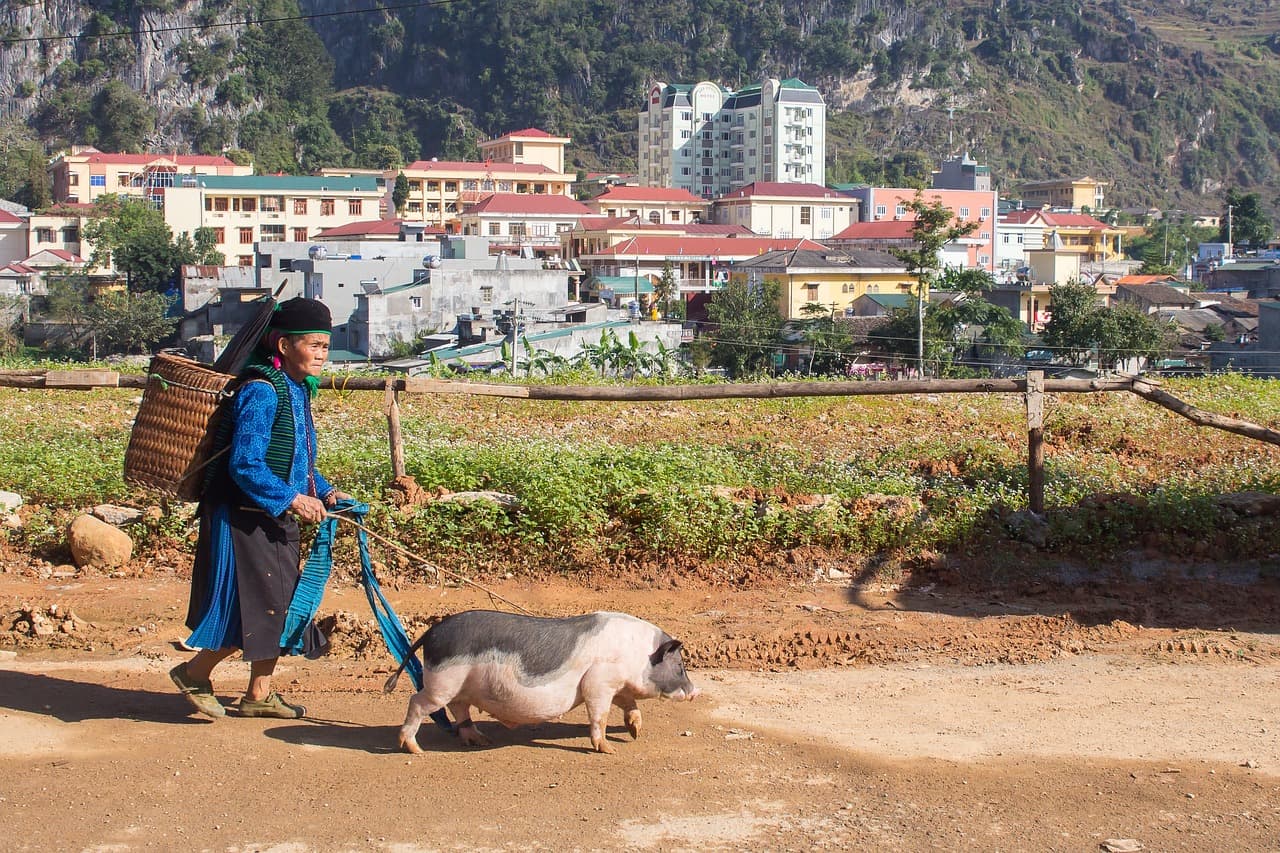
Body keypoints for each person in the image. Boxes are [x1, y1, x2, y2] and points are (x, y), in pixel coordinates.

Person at [170, 297, 349, 719]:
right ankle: (194, 672)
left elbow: (298, 462)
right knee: (252, 607)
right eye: (314, 345)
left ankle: (259, 694)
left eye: (326, 346)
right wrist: (291, 499)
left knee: (279, 607)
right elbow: (246, 464)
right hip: (244, 520)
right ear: (284, 346)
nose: (322, 354)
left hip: (272, 518)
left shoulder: (296, 391)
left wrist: (324, 492)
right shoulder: (262, 391)